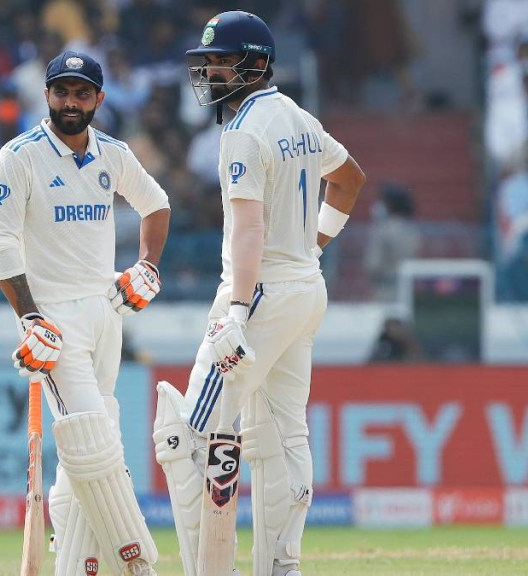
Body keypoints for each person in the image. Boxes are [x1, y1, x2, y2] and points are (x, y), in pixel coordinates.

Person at [153, 11, 366, 576]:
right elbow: (349, 180)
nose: (211, 73)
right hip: (304, 289)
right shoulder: (299, 117)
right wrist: (312, 245)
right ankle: (280, 566)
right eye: (208, 63)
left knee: (184, 437)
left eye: (221, 62)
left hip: (260, 295)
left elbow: (249, 229)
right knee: (282, 436)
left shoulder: (243, 131)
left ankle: (208, 570)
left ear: (255, 63)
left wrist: (238, 312)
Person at [0, 50, 170, 576]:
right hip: (53, 320)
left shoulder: (113, 154)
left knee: (86, 447)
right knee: (94, 439)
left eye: (82, 93)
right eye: (62, 92)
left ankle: (76, 566)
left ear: (99, 99)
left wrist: (147, 264)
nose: (71, 102)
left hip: (106, 310)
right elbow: (0, 242)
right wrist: (30, 317)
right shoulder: (18, 157)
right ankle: (138, 564)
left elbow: (157, 204)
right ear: (46, 95)